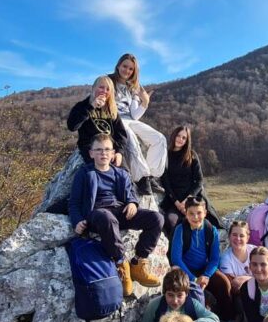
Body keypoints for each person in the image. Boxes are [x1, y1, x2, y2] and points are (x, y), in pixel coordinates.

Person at [69, 133, 162, 296]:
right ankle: (121, 264)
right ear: (91, 153)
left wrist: (133, 203)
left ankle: (138, 263)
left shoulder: (120, 173)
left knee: (156, 218)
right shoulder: (84, 173)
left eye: (107, 149)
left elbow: (130, 194)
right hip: (97, 215)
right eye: (98, 150)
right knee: (108, 218)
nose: (103, 153)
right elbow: (74, 202)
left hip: (119, 213)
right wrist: (77, 221)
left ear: (113, 153)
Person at [170, 196, 235, 322]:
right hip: (185, 270)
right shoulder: (181, 230)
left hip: (204, 270)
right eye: (191, 214)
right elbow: (176, 258)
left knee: (224, 283)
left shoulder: (211, 230)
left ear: (205, 213)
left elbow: (215, 258)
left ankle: (228, 321)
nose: (195, 217)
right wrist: (194, 279)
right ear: (186, 214)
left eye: (199, 213)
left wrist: (206, 276)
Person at [109, 53, 167, 195]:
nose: (127, 71)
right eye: (125, 66)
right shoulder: (109, 80)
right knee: (131, 139)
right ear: (118, 65)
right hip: (114, 118)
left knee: (159, 138)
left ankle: (152, 176)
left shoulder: (133, 87)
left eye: (131, 69)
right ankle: (142, 179)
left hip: (129, 119)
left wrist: (145, 102)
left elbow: (135, 115)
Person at [140, 268, 221, 322]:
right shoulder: (155, 305)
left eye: (179, 295)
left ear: (186, 294)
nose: (175, 301)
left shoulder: (193, 305)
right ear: (164, 293)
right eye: (170, 295)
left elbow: (215, 320)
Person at [159, 125, 220, 239]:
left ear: (187, 141)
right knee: (171, 221)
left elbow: (199, 180)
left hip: (192, 198)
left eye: (184, 138)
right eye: (178, 136)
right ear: (173, 136)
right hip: (174, 200)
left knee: (202, 223)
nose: (180, 139)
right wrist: (177, 203)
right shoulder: (165, 155)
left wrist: (187, 200)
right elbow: (165, 182)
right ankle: (176, 252)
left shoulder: (191, 155)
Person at [67, 76, 130, 167]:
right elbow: (72, 126)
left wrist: (119, 152)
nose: (104, 91)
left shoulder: (111, 109)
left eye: (108, 89)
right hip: (91, 149)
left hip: (110, 149)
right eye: (101, 87)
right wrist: (91, 107)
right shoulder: (81, 106)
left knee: (124, 175)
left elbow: (121, 134)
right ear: (93, 88)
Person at [219, 220, 256, 322]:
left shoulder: (255, 251)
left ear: (248, 237)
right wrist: (257, 279)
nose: (237, 239)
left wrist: (245, 278)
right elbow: (234, 285)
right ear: (229, 236)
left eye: (241, 235)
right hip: (240, 296)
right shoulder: (226, 257)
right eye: (234, 235)